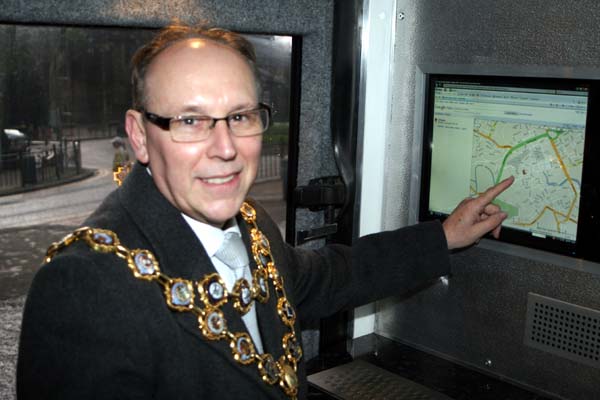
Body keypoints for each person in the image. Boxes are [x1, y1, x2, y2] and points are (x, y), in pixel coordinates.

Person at [16, 22, 514, 400]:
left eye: (240, 116)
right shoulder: (82, 285)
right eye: (190, 120)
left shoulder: (250, 225)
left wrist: (442, 236)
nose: (226, 148)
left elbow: (329, 276)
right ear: (140, 135)